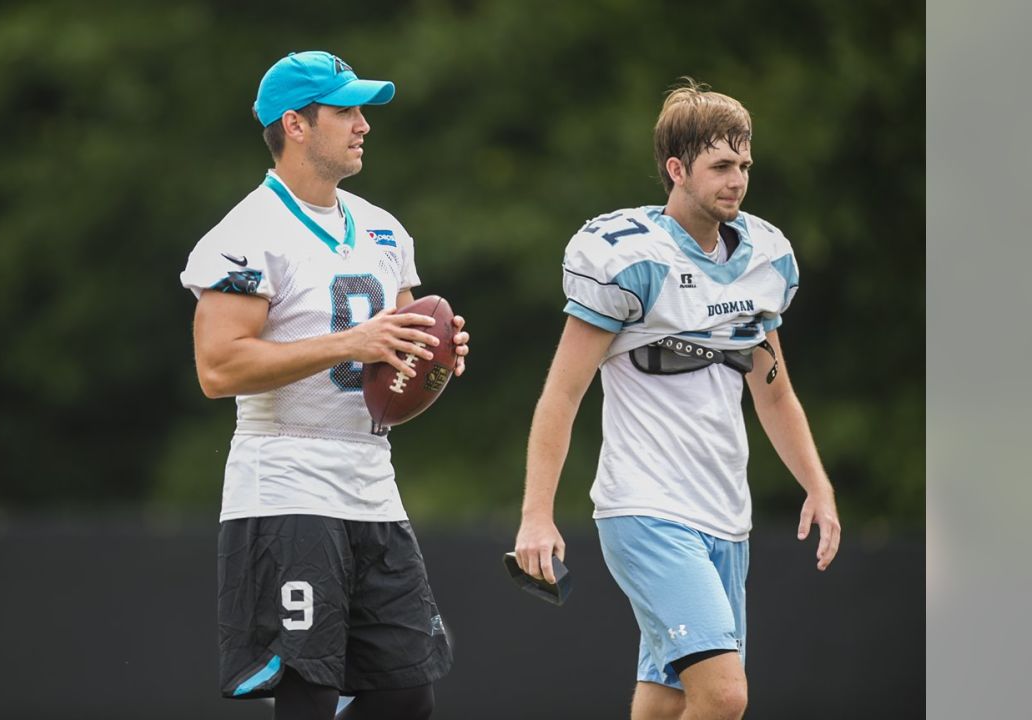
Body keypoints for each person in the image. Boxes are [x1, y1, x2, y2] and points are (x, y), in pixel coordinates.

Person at [513, 78, 840, 720]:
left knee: (665, 701)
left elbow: (774, 395)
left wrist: (818, 486)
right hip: (646, 509)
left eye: (744, 165)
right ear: (676, 168)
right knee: (723, 696)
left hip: (724, 512)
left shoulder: (761, 263)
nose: (737, 180)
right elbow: (563, 393)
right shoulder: (633, 260)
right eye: (720, 165)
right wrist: (536, 514)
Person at [179, 51, 468, 720]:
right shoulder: (249, 233)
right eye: (346, 111)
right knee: (307, 693)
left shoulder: (383, 228)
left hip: (371, 478)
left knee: (405, 695)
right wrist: (352, 342)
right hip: (287, 480)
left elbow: (393, 380)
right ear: (296, 125)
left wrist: (436, 361)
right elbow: (217, 370)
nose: (363, 124)